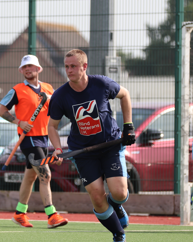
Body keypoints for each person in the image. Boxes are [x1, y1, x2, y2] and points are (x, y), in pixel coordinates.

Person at [47, 49, 135, 242]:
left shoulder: (101, 84)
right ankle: (118, 233)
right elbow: (52, 127)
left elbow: (125, 95)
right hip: (83, 151)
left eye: (73, 66)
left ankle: (116, 205)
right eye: (67, 66)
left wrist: (128, 126)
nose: (69, 70)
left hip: (110, 145)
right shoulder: (60, 95)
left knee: (119, 193)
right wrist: (58, 149)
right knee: (96, 196)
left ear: (84, 67)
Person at [0, 55, 68, 229]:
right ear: (21, 71)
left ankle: (20, 213)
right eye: (24, 67)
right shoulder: (17, 90)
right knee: (46, 174)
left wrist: (57, 147)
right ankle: (52, 215)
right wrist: (19, 122)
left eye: (31, 66)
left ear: (38, 69)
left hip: (44, 138)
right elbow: (1, 110)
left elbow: (55, 114)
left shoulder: (49, 89)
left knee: (31, 177)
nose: (28, 69)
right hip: (28, 140)